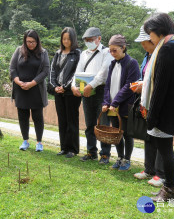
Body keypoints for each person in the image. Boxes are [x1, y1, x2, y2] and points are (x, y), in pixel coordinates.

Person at [142, 13, 174, 202]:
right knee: (166, 150)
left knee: (166, 150)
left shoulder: (167, 49)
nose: (149, 37)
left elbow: (160, 87)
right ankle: (168, 189)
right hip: (170, 109)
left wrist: (152, 115)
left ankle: (170, 191)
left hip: (164, 111)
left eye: (149, 33)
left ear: (158, 31)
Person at [71, 27, 114, 164]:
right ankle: (91, 151)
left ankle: (105, 154)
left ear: (99, 39)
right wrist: (73, 86)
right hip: (85, 89)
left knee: (103, 124)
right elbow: (77, 72)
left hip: (101, 91)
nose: (89, 42)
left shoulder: (106, 52)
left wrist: (91, 85)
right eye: (86, 40)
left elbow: (103, 74)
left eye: (91, 40)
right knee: (89, 124)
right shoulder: (84, 54)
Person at [133, 26, 165, 186]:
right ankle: (149, 169)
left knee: (160, 138)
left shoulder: (162, 56)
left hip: (159, 103)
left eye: (146, 42)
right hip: (146, 103)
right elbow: (144, 77)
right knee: (149, 137)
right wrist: (140, 84)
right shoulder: (147, 56)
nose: (143, 45)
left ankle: (161, 173)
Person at [102, 34, 140, 171]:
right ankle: (119, 157)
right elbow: (107, 85)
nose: (112, 54)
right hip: (113, 105)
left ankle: (127, 159)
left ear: (123, 48)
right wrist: (106, 102)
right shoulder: (112, 64)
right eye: (110, 51)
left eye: (115, 50)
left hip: (125, 105)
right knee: (116, 133)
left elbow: (129, 86)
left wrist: (116, 102)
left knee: (127, 133)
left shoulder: (132, 63)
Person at [9, 29, 50, 152]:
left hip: (36, 89)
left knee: (38, 116)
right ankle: (25, 141)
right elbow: (12, 68)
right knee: (23, 116)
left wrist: (32, 83)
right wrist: (17, 81)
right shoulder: (19, 51)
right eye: (28, 41)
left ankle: (39, 142)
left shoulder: (43, 53)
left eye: (33, 42)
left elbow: (45, 71)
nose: (30, 44)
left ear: (37, 41)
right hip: (21, 89)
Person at [48, 27, 81, 158]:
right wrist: (55, 86)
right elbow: (52, 72)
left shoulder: (78, 53)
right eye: (64, 39)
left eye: (68, 39)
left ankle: (73, 149)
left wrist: (65, 87)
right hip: (58, 92)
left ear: (73, 39)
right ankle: (63, 147)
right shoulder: (57, 53)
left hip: (71, 92)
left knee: (72, 119)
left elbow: (77, 73)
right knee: (62, 120)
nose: (66, 41)